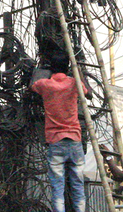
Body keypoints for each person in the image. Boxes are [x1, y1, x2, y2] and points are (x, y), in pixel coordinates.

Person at [32, 53, 89, 212]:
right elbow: (88, 94)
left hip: (56, 142)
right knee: (78, 186)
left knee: (57, 188)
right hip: (74, 140)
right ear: (67, 69)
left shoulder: (45, 84)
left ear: (52, 69)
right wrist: (79, 75)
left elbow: (32, 85)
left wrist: (45, 71)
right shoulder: (73, 83)